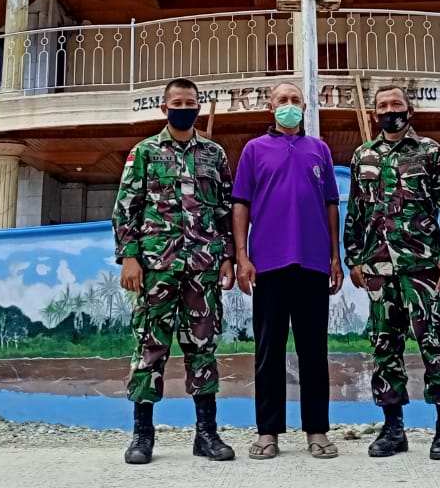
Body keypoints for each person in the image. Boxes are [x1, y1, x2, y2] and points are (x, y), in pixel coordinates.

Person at [112, 77, 236, 465]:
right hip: (156, 268)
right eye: (177, 102)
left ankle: (207, 435)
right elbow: (125, 209)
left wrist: (228, 257)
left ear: (199, 106)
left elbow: (225, 212)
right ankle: (142, 436)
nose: (185, 107)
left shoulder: (214, 154)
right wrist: (129, 257)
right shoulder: (145, 152)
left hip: (203, 268)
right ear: (165, 108)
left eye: (191, 101)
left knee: (203, 348)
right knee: (150, 349)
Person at [344, 85, 440, 461]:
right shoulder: (363, 156)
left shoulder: (430, 152)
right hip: (379, 267)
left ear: (409, 110)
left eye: (396, 104)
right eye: (382, 106)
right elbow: (355, 213)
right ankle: (392, 428)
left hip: (423, 266)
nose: (389, 110)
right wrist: (354, 258)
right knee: (384, 348)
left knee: (435, 345)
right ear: (373, 114)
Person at [232, 81, 343, 460]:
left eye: (295, 100)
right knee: (268, 351)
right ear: (270, 107)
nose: (289, 106)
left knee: (314, 351)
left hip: (313, 264)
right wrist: (242, 256)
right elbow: (241, 205)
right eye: (282, 100)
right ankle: (268, 433)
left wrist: (335, 256)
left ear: (305, 106)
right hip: (268, 265)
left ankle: (317, 431)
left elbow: (331, 204)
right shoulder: (253, 150)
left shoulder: (320, 150)